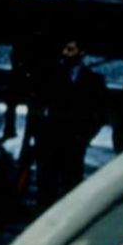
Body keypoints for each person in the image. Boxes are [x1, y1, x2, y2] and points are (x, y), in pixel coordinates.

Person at [30, 38, 107, 209]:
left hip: (75, 142)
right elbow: (38, 105)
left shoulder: (94, 80)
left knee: (70, 186)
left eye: (70, 49)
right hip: (50, 140)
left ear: (82, 53)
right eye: (64, 49)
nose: (65, 53)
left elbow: (100, 112)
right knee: (46, 186)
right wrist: (39, 134)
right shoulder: (50, 75)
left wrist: (85, 137)